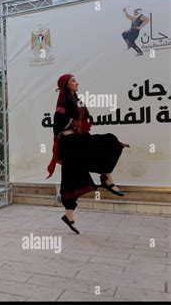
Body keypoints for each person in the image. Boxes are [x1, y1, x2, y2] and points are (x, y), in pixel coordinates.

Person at [47, 74, 130, 234]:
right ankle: (106, 180)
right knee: (73, 179)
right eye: (73, 81)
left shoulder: (77, 101)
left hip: (79, 142)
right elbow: (57, 128)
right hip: (70, 146)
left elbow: (84, 121)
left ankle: (69, 216)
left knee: (109, 141)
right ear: (66, 85)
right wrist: (66, 131)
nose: (77, 83)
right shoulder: (63, 104)